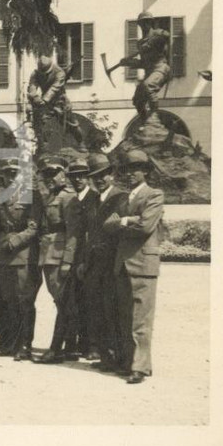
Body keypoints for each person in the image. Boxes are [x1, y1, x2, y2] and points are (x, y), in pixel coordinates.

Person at [104, 149, 164, 384]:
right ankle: (128, 362)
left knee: (141, 319)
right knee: (125, 316)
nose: (130, 174)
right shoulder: (124, 198)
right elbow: (107, 226)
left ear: (146, 171)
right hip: (123, 263)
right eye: (126, 170)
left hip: (143, 263)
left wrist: (125, 220)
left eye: (135, 169)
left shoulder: (154, 194)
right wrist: (128, 221)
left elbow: (146, 226)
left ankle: (140, 367)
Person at [34, 156, 82, 364]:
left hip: (59, 255)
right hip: (49, 254)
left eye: (53, 173)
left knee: (63, 303)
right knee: (63, 302)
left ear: (63, 174)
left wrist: (67, 261)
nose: (50, 178)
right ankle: (69, 347)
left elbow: (73, 232)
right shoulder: (51, 196)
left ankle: (56, 349)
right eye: (46, 174)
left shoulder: (68, 197)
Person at [84, 153, 129, 373]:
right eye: (95, 176)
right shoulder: (92, 200)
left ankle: (119, 357)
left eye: (103, 174)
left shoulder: (121, 197)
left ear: (111, 174)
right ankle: (106, 357)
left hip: (112, 263)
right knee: (97, 310)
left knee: (114, 311)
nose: (100, 179)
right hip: (95, 264)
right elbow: (88, 233)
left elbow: (121, 230)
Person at [0, 158, 39, 359]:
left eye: (15, 173)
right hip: (3, 256)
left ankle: (25, 345)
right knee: (9, 301)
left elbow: (34, 227)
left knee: (24, 301)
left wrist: (16, 241)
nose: (11, 177)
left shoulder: (30, 196)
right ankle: (12, 343)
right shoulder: (0, 197)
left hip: (22, 254)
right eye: (7, 173)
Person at [67, 158, 98, 359]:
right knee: (76, 301)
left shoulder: (94, 198)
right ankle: (80, 343)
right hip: (75, 257)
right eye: (74, 177)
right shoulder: (73, 200)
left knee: (92, 301)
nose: (77, 180)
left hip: (90, 258)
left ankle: (93, 346)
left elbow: (92, 233)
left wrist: (86, 260)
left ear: (88, 178)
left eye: (81, 176)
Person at [124, 11, 172, 125]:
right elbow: (144, 63)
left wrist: (152, 42)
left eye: (147, 22)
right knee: (137, 99)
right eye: (142, 23)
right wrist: (129, 63)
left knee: (148, 86)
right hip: (149, 71)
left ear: (151, 23)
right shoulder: (140, 43)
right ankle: (145, 121)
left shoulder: (158, 33)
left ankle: (154, 116)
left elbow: (167, 35)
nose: (144, 25)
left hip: (161, 68)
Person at [27, 51, 84, 146]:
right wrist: (36, 97)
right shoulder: (35, 73)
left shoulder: (59, 72)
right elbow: (32, 86)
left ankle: (81, 142)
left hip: (60, 101)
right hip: (46, 104)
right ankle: (45, 146)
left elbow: (55, 87)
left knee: (72, 124)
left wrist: (44, 99)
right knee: (43, 123)